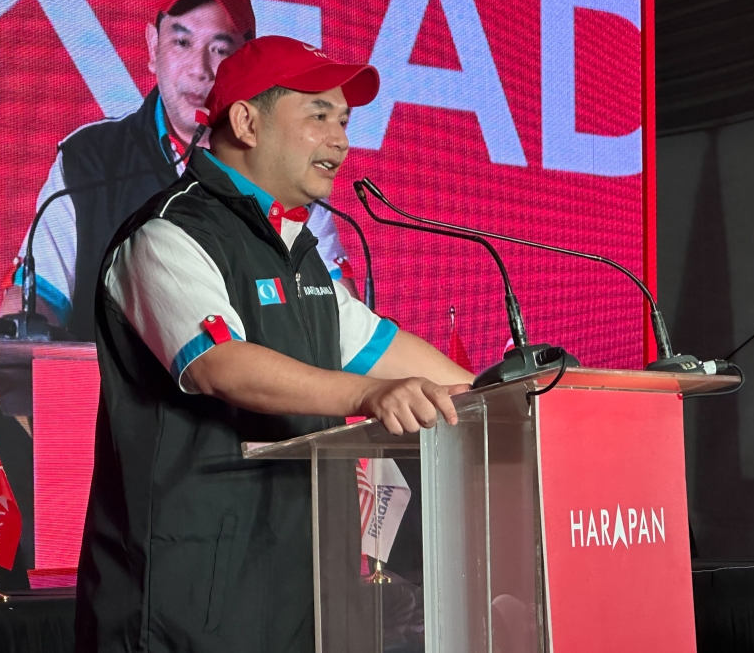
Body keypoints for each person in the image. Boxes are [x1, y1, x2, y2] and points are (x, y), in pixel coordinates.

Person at [76, 35, 474, 652]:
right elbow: (218, 364)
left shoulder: (298, 256)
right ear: (245, 122)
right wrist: (371, 394)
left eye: (343, 120)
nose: (341, 140)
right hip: (184, 605)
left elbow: (381, 347)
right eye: (318, 115)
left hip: (290, 595)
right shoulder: (166, 234)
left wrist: (513, 395)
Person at [0, 0, 361, 403]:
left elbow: (339, 316)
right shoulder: (89, 161)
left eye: (220, 48)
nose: (200, 70)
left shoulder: (286, 168)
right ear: (152, 47)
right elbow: (38, 297)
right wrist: (11, 336)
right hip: (110, 422)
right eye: (181, 42)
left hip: (257, 419)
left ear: (246, 62)